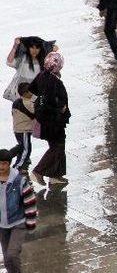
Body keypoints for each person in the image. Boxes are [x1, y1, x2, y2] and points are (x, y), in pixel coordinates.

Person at [29, 53, 71, 186]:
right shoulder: (53, 81)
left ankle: (55, 175)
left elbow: (32, 90)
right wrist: (60, 109)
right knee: (57, 147)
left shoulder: (42, 75)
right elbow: (49, 101)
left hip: (46, 120)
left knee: (58, 146)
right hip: (53, 121)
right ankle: (38, 171)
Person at [0, 149, 37, 273]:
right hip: (2, 226)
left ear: (9, 164)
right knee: (7, 259)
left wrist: (31, 223)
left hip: (18, 223)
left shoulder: (18, 181)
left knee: (12, 254)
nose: (1, 167)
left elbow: (30, 200)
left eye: (4, 164)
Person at [4, 37, 45, 102]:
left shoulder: (43, 61)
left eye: (37, 48)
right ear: (28, 48)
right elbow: (10, 61)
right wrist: (15, 46)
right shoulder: (23, 58)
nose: (34, 50)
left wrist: (51, 49)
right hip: (21, 93)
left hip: (36, 95)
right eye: (32, 47)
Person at [11, 84, 35, 174]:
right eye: (30, 91)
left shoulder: (16, 102)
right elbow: (38, 112)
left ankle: (18, 162)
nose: (32, 93)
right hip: (24, 130)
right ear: (25, 93)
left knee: (22, 147)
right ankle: (17, 168)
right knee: (26, 149)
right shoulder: (28, 103)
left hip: (17, 129)